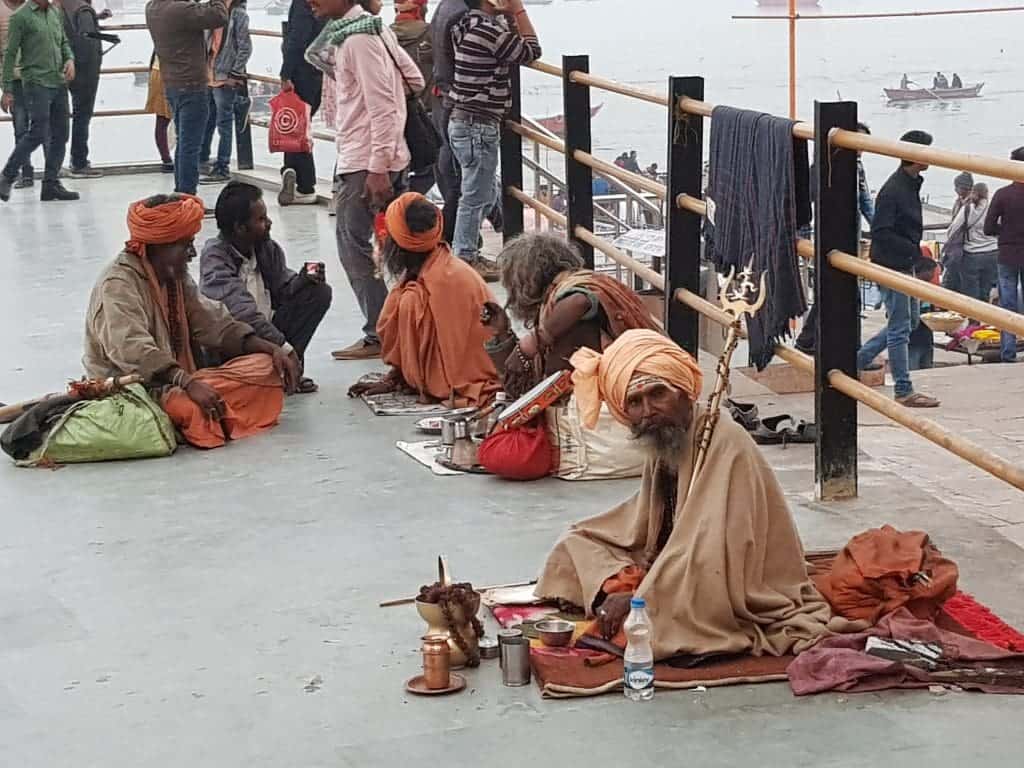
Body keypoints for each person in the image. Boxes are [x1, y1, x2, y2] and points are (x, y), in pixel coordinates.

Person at [534, 330, 833, 660]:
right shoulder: (665, 441)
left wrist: (642, 596)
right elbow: (647, 523)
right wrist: (645, 579)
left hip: (722, 566)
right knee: (578, 541)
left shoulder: (724, 442)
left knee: (682, 592)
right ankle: (636, 602)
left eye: (657, 394)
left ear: (684, 393)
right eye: (635, 402)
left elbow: (711, 547)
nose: (648, 411)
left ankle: (639, 607)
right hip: (673, 556)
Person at [83, 193, 299, 449]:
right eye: (185, 245)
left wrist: (273, 349)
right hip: (137, 391)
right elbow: (132, 350)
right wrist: (187, 382)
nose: (193, 253)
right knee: (189, 407)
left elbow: (214, 323)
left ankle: (211, 415)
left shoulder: (174, 276)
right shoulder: (118, 284)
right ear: (160, 246)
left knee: (266, 367)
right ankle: (203, 417)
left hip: (183, 381)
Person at [304, 0, 423, 361]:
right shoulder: (371, 30)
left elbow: (382, 104)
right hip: (378, 155)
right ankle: (405, 325)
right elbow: (413, 80)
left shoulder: (357, 40)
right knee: (396, 248)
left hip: (366, 162)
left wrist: (377, 166)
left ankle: (380, 331)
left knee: (352, 244)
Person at [347, 192, 500, 406]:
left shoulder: (444, 280)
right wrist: (396, 377)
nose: (382, 239)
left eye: (386, 233)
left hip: (461, 378)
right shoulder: (426, 269)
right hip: (448, 372)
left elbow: (459, 359)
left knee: (409, 301)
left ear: (399, 241)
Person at [482, 233, 659, 400]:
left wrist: (534, 341)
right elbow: (521, 383)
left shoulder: (572, 300)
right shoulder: (555, 304)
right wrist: (502, 333)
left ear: (526, 283)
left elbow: (580, 301)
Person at [200, 182, 332, 393]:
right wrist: (284, 348)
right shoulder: (215, 257)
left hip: (267, 333)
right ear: (240, 228)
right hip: (237, 342)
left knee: (318, 292)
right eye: (261, 219)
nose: (269, 223)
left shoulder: (265, 248)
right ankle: (284, 368)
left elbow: (283, 290)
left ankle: (288, 372)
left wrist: (303, 280)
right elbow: (244, 316)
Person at [448, 0, 540, 276]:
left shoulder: (465, 25)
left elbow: (509, 44)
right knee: (474, 196)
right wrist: (518, 11)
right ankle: (464, 256)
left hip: (463, 121)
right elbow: (531, 50)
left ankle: (498, 229)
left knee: (482, 188)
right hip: (479, 125)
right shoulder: (488, 32)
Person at [857, 130, 940, 408]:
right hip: (892, 265)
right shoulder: (894, 190)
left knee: (909, 322)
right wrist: (912, 250)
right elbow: (880, 230)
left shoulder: (910, 184)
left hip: (905, 263)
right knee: (901, 327)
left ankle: (856, 360)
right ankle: (903, 388)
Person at [794, 122, 874, 355]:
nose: (860, 150)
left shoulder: (855, 167)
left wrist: (877, 227)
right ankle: (852, 349)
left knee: (832, 291)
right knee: (844, 293)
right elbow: (807, 198)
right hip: (831, 233)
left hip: (847, 234)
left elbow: (865, 201)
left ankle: (809, 340)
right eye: (858, 143)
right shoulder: (824, 168)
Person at [146, 0, 229, 196]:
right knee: (190, 145)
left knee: (183, 142)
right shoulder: (180, 10)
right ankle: (187, 194)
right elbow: (219, 16)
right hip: (192, 85)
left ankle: (181, 191)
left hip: (173, 83)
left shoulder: (153, 7)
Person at [0, 0, 78, 203]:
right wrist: (7, 89)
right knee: (38, 132)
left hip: (58, 82)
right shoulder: (21, 17)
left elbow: (63, 43)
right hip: (36, 83)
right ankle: (8, 175)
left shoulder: (54, 12)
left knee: (61, 134)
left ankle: (51, 184)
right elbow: (9, 55)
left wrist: (69, 59)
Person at [198, 0, 251, 184]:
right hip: (209, 75)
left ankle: (222, 166)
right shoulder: (212, 12)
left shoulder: (238, 15)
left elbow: (245, 47)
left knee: (224, 123)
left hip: (225, 77)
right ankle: (203, 159)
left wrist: (234, 74)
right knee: (208, 119)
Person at [277, 0, 324, 205]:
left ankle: (304, 184)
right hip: (319, 72)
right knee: (299, 127)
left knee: (296, 127)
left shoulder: (302, 5)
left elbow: (297, 39)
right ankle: (293, 173)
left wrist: (285, 73)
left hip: (301, 74)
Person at [984, 146, 1024, 364]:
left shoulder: (1002, 194)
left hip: (1007, 253)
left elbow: (988, 228)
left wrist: (1006, 231)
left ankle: (1008, 352)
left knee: (1007, 304)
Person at [392, 0, 434, 195]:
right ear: (421, 10)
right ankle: (408, 198)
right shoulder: (431, 34)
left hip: (392, 111)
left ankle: (398, 201)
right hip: (424, 111)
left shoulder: (384, 35)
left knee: (396, 165)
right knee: (433, 163)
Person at [61, 0, 106, 178]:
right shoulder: (83, 11)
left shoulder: (62, 6)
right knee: (82, 115)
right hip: (84, 73)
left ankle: (56, 164)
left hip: (64, 69)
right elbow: (87, 43)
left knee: (59, 118)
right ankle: (79, 161)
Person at [0, 0, 36, 190]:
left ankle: (52, 177)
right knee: (21, 128)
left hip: (39, 77)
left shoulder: (36, 7)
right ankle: (26, 172)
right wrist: (5, 87)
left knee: (46, 127)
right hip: (15, 80)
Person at [947, 182, 998, 304]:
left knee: (970, 291)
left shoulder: (968, 209)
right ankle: (984, 318)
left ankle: (973, 320)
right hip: (992, 252)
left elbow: (953, 229)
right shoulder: (993, 207)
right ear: (986, 194)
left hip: (971, 254)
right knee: (986, 290)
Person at [941, 171, 974, 294]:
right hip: (956, 245)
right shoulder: (958, 201)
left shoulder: (971, 204)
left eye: (957, 187)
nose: (955, 190)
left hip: (963, 246)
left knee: (955, 279)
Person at [143, 53, 174, 173]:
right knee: (183, 122)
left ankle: (166, 159)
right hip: (171, 73)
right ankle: (169, 159)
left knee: (161, 121)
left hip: (158, 70)